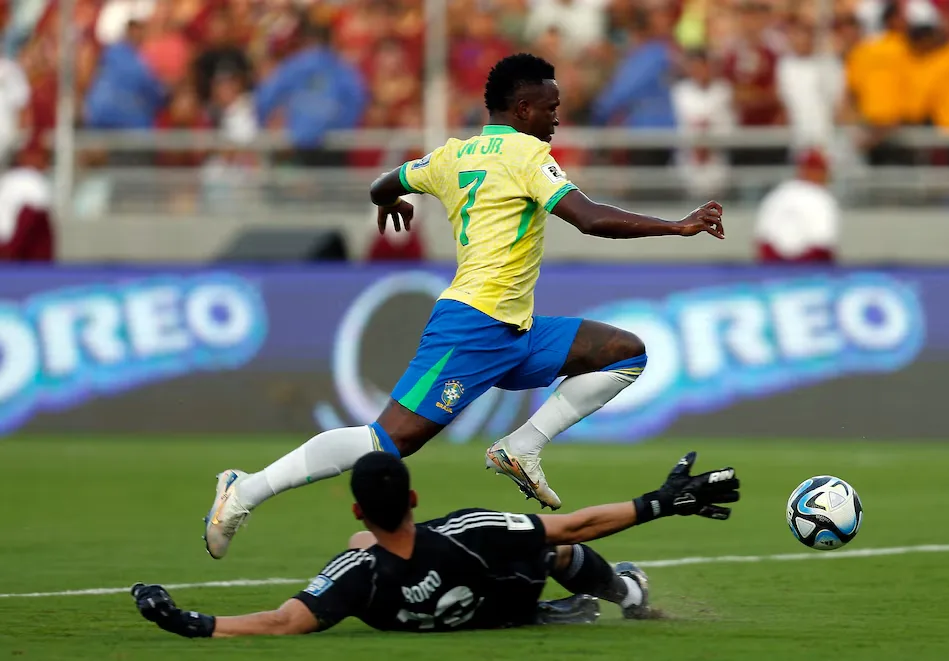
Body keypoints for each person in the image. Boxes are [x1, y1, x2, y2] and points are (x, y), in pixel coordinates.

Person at [203, 53, 725, 560]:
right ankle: (244, 491)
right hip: (473, 326)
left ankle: (521, 447)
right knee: (387, 442)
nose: (557, 117)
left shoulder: (452, 155)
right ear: (522, 109)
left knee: (623, 353)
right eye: (550, 106)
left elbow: (383, 183)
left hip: (514, 329)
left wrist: (389, 200)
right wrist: (677, 225)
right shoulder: (526, 157)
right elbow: (587, 219)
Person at [136, 450, 740, 637]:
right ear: (414, 499)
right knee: (549, 549)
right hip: (500, 592)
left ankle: (555, 611)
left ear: (359, 510)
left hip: (467, 615)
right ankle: (624, 591)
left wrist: (194, 622)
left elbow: (281, 622)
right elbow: (573, 526)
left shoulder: (356, 572)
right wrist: (661, 502)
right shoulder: (469, 531)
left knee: (371, 548)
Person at [754, 149, 839, 263]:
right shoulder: (822, 197)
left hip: (773, 264)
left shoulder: (779, 193)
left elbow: (762, 241)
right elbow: (823, 245)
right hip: (810, 266)